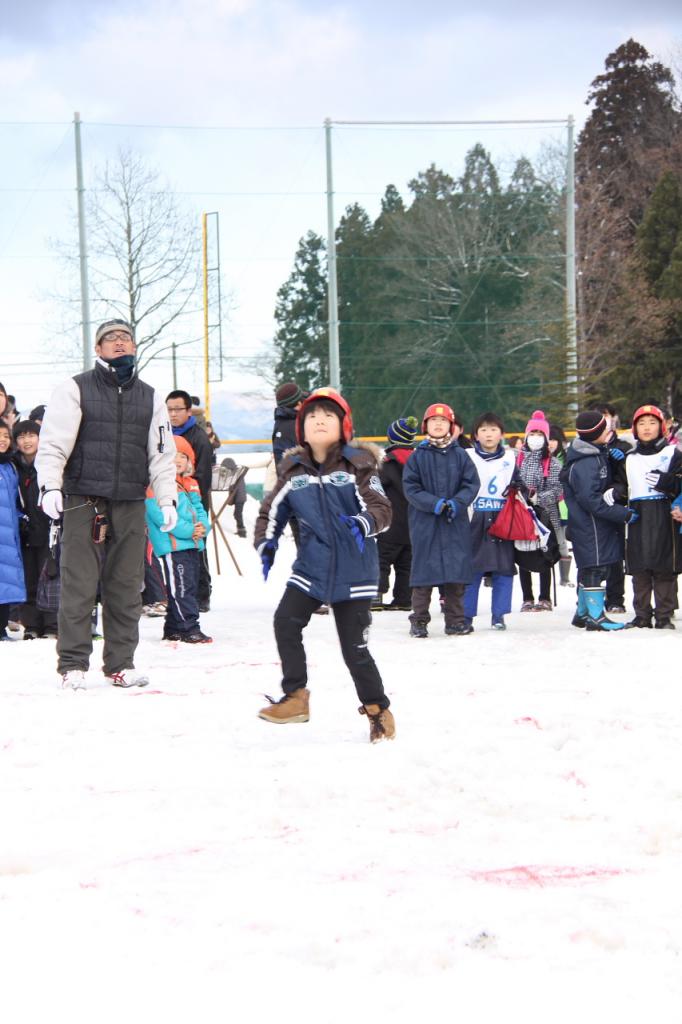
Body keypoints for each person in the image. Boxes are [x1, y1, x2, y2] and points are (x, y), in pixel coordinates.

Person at [36, 318, 177, 689]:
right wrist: (50, 486)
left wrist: (167, 499)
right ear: (97, 349)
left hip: (130, 499)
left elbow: (162, 454)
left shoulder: (150, 396)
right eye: (110, 339)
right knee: (79, 583)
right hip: (84, 498)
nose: (118, 343)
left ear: (134, 347)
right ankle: (72, 664)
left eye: (125, 338)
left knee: (127, 586)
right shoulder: (74, 389)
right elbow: (54, 442)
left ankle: (121, 663)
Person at [254, 387, 395, 743]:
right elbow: (272, 509)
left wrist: (363, 523)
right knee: (285, 622)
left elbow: (381, 509)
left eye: (328, 416)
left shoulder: (359, 465)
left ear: (343, 426)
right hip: (312, 567)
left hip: (355, 569)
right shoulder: (293, 469)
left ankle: (378, 711)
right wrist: (266, 541)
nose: (319, 420)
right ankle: (296, 696)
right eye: (312, 416)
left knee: (354, 649)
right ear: (301, 427)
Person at [402, 402, 480, 638]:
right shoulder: (417, 457)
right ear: (426, 426)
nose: (438, 424)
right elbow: (411, 488)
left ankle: (455, 621)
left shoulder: (460, 455)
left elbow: (471, 484)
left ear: (451, 426)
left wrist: (457, 502)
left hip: (454, 523)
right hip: (425, 524)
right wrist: (433, 503)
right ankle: (419, 621)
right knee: (423, 575)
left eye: (443, 421)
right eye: (434, 421)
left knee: (455, 575)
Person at [561, 411, 637, 631]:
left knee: (590, 567)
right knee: (595, 567)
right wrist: (622, 513)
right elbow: (591, 500)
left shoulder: (595, 454)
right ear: (595, 433)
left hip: (592, 524)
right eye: (605, 428)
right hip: (590, 524)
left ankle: (583, 612)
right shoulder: (586, 462)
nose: (609, 431)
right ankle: (596, 616)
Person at [146, 435, 212, 643]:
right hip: (174, 545)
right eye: (174, 455)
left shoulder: (190, 484)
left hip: (192, 544)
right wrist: (189, 530)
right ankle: (189, 627)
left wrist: (203, 527)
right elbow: (159, 515)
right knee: (181, 588)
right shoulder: (156, 485)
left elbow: (200, 509)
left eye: (183, 456)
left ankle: (173, 627)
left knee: (188, 586)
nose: (178, 460)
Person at [624, 404, 682, 629]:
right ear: (635, 428)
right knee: (639, 566)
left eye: (652, 423)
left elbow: (680, 483)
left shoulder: (672, 454)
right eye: (641, 423)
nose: (647, 428)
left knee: (664, 565)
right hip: (637, 513)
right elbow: (620, 484)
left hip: (663, 513)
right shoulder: (629, 457)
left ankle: (664, 615)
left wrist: (666, 483)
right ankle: (642, 614)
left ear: (662, 426)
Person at [463, 412, 517, 631]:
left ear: (501, 434)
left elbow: (518, 483)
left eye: (493, 429)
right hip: (474, 515)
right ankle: (465, 615)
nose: (488, 434)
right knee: (471, 567)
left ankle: (499, 614)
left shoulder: (510, 458)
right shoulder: (466, 456)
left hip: (502, 516)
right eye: (483, 430)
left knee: (504, 567)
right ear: (475, 435)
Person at [166, 390, 214, 612]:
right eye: (169, 409)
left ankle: (202, 594)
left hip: (193, 501)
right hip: (168, 501)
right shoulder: (164, 434)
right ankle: (179, 594)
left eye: (177, 409)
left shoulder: (198, 438)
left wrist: (194, 504)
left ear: (188, 411)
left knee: (197, 548)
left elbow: (202, 477)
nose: (173, 414)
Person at [13, 419, 58, 639]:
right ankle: (31, 625)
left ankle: (51, 625)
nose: (26, 441)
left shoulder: (48, 464)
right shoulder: (13, 466)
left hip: (49, 529)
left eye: (31, 436)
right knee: (28, 579)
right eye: (21, 437)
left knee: (50, 577)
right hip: (24, 531)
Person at [515, 410, 563, 611]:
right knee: (522, 553)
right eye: (532, 434)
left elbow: (559, 489)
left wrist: (540, 497)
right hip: (522, 514)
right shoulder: (518, 459)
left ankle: (545, 597)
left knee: (546, 554)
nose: (535, 439)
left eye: (539, 434)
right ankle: (527, 597)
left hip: (547, 515)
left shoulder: (553, 463)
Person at [373, 416, 418, 612]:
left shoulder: (388, 463)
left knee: (381, 560)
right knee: (406, 564)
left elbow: (376, 487)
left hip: (391, 523)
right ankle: (404, 598)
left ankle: (376, 595)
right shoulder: (418, 461)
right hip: (413, 524)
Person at [594, 403, 632, 614]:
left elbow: (628, 479)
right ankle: (590, 596)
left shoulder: (624, 447)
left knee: (616, 555)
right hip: (592, 507)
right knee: (593, 554)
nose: (602, 419)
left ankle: (616, 598)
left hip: (615, 507)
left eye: (605, 415)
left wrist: (622, 461)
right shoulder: (584, 447)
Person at [0, 419, 27, 640]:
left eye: (6, 436)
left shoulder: (10, 465)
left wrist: (21, 518)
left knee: (6, 583)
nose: (3, 440)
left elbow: (14, 501)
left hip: (9, 533)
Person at [220, 455, 247, 537]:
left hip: (240, 498)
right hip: (240, 497)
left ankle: (242, 531)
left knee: (237, 514)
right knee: (237, 514)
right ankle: (241, 530)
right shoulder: (237, 473)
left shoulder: (235, 475)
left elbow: (233, 486)